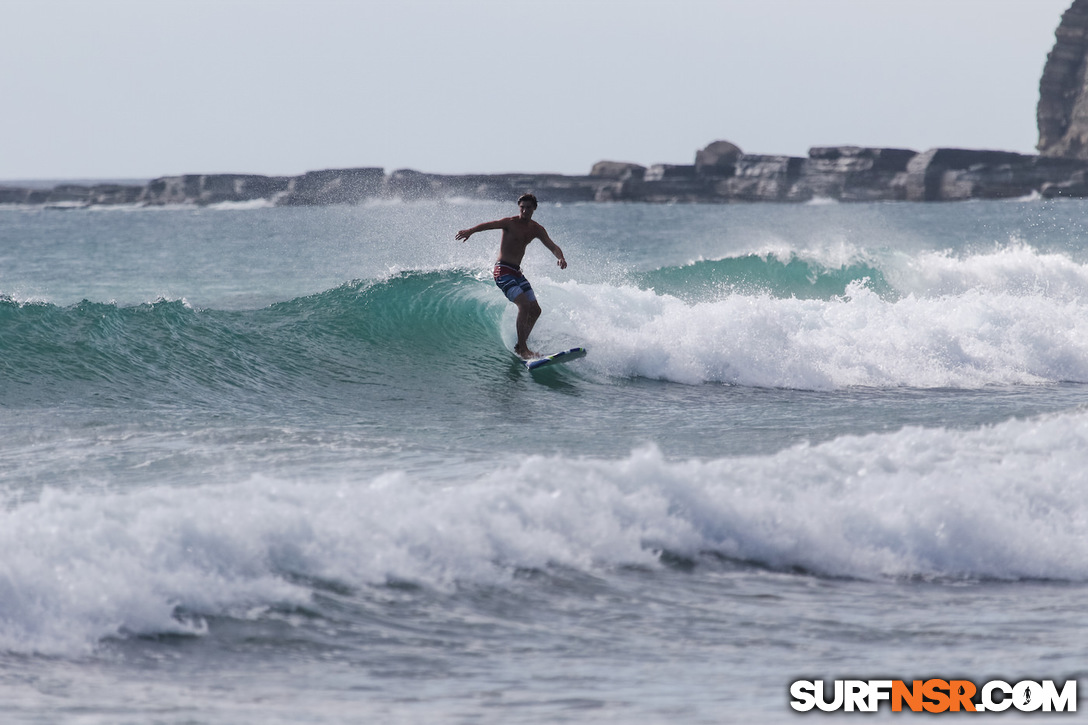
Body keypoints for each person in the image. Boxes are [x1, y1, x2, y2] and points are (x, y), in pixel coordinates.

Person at [456, 193, 567, 359]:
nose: (524, 211)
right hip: (503, 271)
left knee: (535, 310)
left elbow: (552, 246)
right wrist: (470, 231)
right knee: (524, 305)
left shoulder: (536, 229)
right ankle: (523, 349)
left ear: (534, 208)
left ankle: (519, 345)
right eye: (522, 207)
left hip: (516, 272)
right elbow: (489, 225)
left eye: (528, 207)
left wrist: (560, 257)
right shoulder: (510, 223)